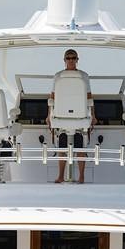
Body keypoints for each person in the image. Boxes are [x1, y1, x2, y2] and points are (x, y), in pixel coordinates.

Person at [48, 49, 96, 183]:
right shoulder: (58, 76)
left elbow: (89, 97)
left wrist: (93, 115)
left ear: (77, 59)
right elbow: (52, 97)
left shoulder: (84, 76)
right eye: (68, 58)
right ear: (64, 60)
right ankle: (60, 176)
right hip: (61, 118)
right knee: (62, 149)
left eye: (73, 57)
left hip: (79, 118)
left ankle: (81, 176)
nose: (71, 60)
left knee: (81, 148)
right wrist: (49, 115)